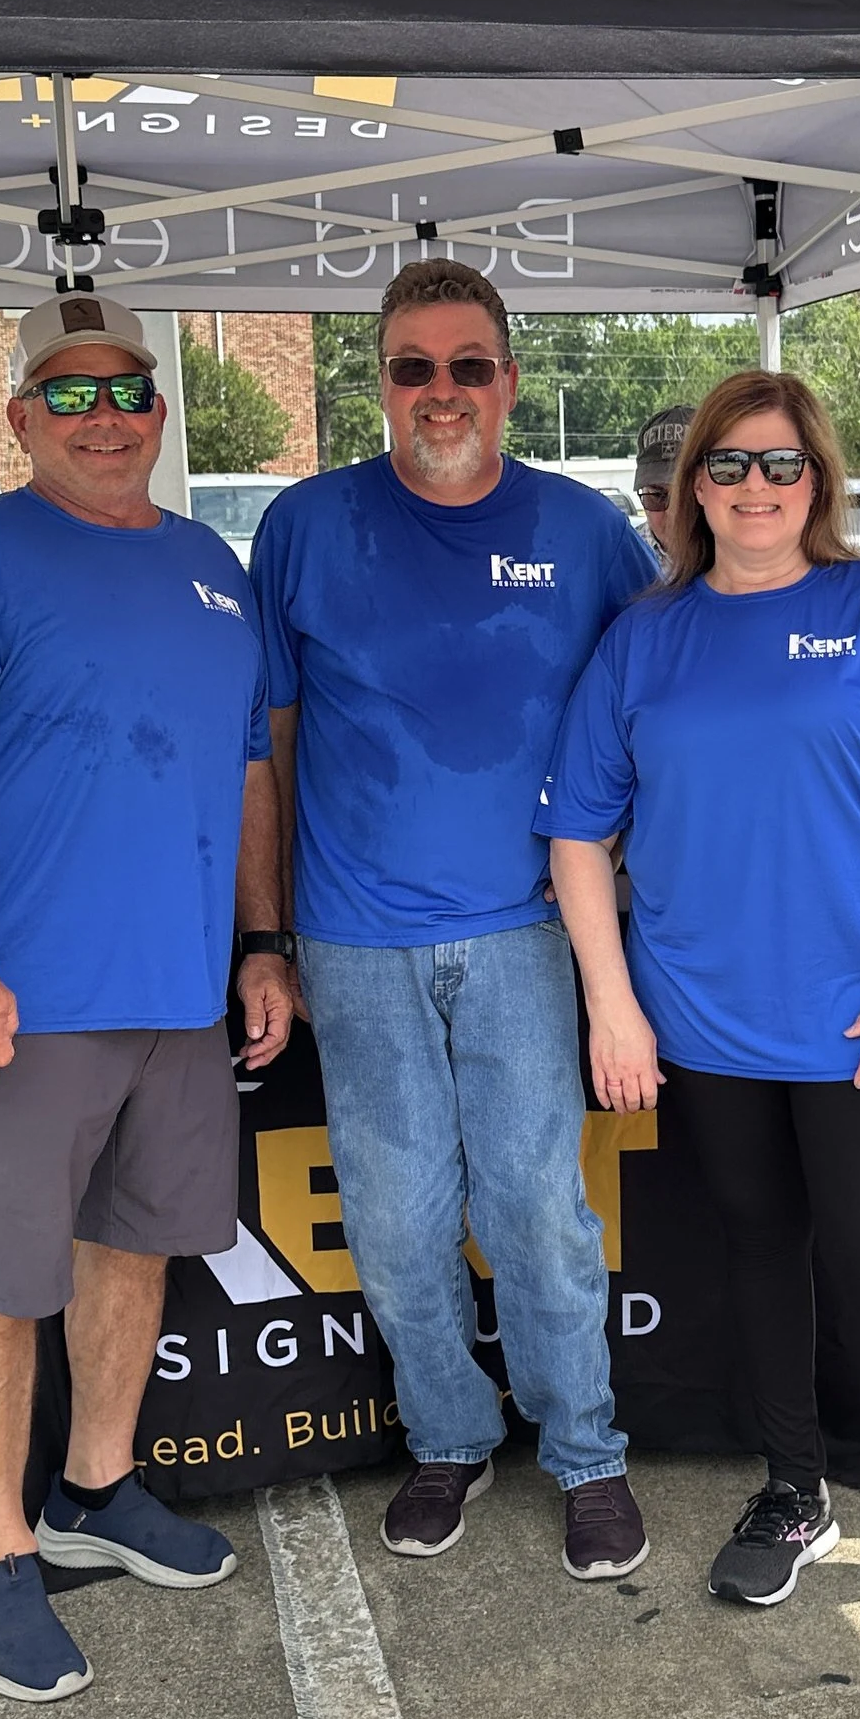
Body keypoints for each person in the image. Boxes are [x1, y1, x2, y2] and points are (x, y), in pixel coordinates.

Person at [547, 369, 860, 1642]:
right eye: (727, 465)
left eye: (780, 465)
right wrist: (614, 1004)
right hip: (706, 1023)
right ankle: (794, 1491)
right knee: (755, 1255)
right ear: (688, 486)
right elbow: (579, 834)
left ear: (817, 483)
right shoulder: (644, 637)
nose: (753, 488)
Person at [0, 290, 297, 1705]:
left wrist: (258, 942)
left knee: (135, 1248)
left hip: (180, 991)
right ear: (20, 419)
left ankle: (94, 1489)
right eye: (71, 394)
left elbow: (247, 770)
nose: (104, 417)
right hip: (26, 1000)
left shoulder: (210, 567)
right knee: (3, 1281)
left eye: (128, 392)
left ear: (160, 415)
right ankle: (2, 1559)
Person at [250, 262, 659, 1580]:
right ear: (378, 382)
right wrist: (268, 937)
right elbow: (272, 740)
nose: (441, 391)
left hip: (526, 933)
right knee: (395, 1214)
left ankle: (586, 1449)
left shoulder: (589, 531)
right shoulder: (304, 526)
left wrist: (631, 890)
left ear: (509, 380)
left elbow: (654, 710)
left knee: (539, 1205)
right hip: (354, 938)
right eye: (412, 366)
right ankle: (446, 1433)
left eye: (467, 364)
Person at [632, 401, 695, 558]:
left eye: (687, 496)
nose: (673, 513)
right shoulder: (622, 559)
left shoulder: (744, 557)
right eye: (657, 497)